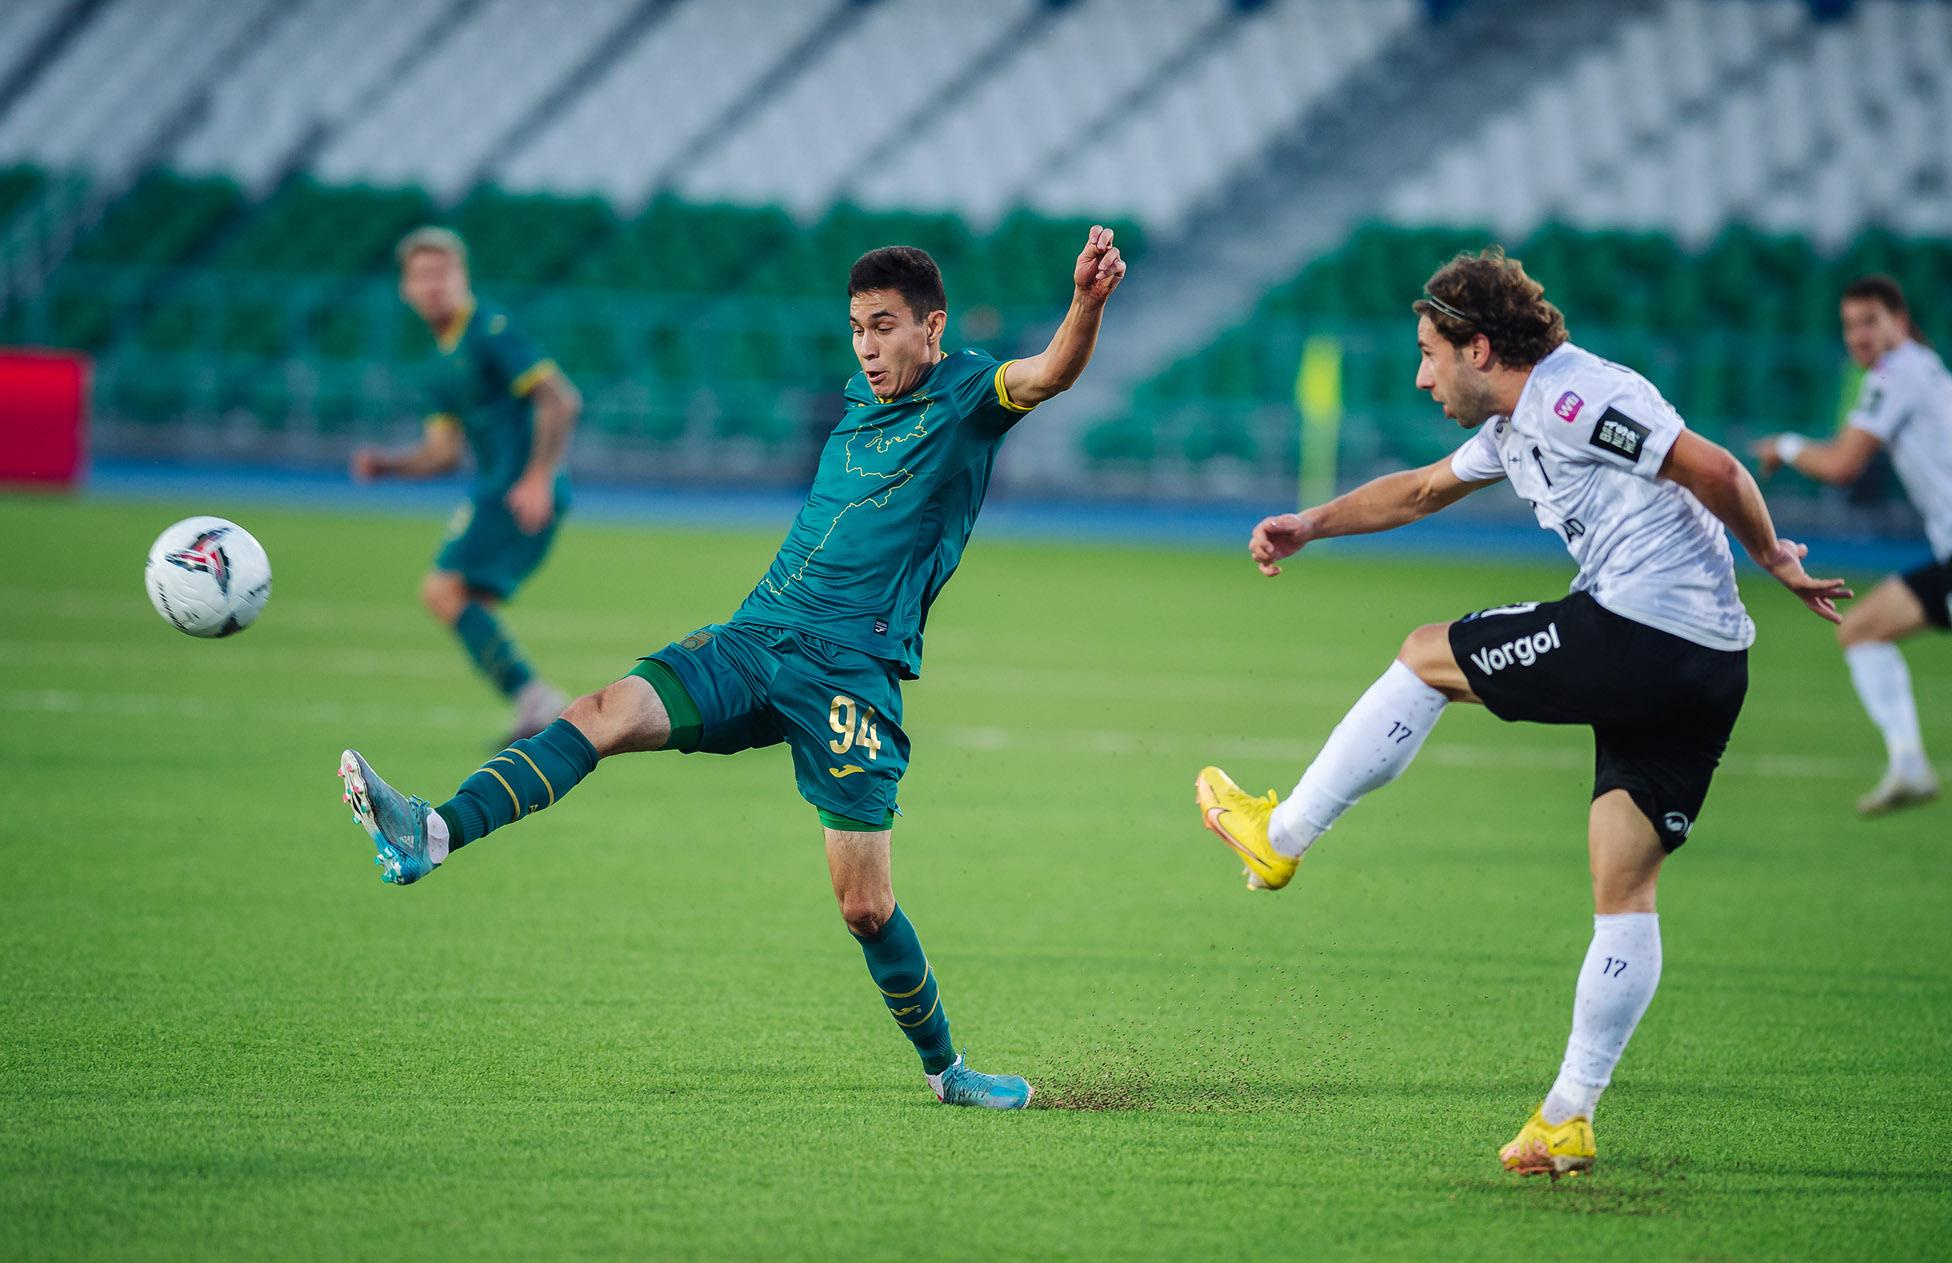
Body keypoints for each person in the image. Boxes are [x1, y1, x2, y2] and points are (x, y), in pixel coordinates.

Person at [338, 229, 1128, 1109]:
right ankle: (431, 832)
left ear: (932, 328)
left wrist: (1085, 305)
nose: (867, 347)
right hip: (756, 638)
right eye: (857, 329)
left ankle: (948, 1072)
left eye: (885, 327)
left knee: (864, 907)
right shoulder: (861, 399)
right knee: (601, 710)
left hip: (850, 675)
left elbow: (1049, 371)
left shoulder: (966, 393)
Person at [1194, 248, 1848, 1176]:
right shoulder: (1514, 424)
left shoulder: (1570, 400)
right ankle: (1567, 1117)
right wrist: (1311, 523)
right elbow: (1420, 491)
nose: (1421, 376)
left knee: (1428, 653)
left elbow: (1712, 464)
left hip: (1642, 628)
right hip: (1709, 665)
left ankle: (1283, 834)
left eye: (1430, 353)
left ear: (1481, 345)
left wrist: (1775, 556)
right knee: (1624, 885)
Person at [1753, 275, 1952, 815]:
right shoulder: (1928, 370)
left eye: (1870, 322)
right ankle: (1909, 764)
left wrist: (1786, 446)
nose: (1858, 336)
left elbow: (1843, 466)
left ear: (1899, 322)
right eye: (1849, 326)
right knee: (1862, 630)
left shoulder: (1896, 374)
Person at [352, 227, 580, 743]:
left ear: (463, 277)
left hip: (516, 490)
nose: (433, 286)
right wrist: (387, 466)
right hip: (496, 487)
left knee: (442, 591)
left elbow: (561, 399)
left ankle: (537, 699)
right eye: (421, 276)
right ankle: (535, 703)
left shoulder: (491, 331)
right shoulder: (437, 363)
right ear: (406, 289)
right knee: (463, 600)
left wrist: (539, 476)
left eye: (442, 273)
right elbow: (444, 453)